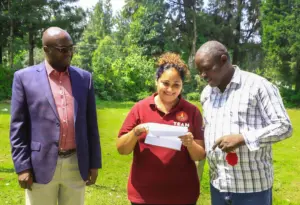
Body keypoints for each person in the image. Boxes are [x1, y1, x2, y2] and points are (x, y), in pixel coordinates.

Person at [9, 27, 101, 205]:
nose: (69, 53)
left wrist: (94, 163)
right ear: (46, 49)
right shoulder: (24, 78)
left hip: (76, 164)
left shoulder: (84, 78)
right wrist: (22, 167)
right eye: (62, 49)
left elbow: (91, 125)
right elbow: (18, 128)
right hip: (39, 165)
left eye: (71, 48)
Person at [195, 40, 293, 205]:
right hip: (218, 185)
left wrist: (243, 138)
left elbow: (284, 126)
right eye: (200, 71)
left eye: (206, 68)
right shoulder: (207, 93)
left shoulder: (258, 86)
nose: (203, 75)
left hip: (251, 189)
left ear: (224, 60)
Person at [117, 52, 206, 205]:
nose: (170, 89)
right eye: (165, 83)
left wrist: (191, 144)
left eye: (176, 85)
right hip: (144, 195)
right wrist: (135, 132)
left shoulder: (192, 112)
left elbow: (199, 156)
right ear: (156, 81)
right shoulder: (140, 108)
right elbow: (122, 149)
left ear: (182, 86)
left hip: (182, 195)